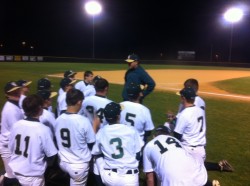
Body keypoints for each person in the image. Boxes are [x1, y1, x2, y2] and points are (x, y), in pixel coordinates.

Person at [170, 78, 233, 172]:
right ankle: (220, 166)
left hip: (190, 147)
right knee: (196, 168)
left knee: (186, 170)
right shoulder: (199, 109)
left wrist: (174, 122)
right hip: (199, 145)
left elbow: (178, 133)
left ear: (184, 97)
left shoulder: (186, 113)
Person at [143, 125, 220, 186]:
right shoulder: (175, 140)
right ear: (168, 134)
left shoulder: (149, 146)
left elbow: (150, 178)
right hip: (195, 170)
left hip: (173, 178)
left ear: (154, 136)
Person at [8, 94, 58, 186]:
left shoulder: (16, 125)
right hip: (33, 176)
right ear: (39, 108)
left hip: (16, 172)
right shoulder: (43, 129)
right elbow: (51, 155)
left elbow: (11, 148)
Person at [91, 102, 144, 186]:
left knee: (97, 157)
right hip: (130, 178)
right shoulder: (131, 130)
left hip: (111, 178)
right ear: (118, 116)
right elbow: (138, 154)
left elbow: (95, 152)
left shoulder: (101, 132)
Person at [55, 89, 95, 186]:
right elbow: (91, 142)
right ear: (79, 102)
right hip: (78, 165)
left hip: (62, 162)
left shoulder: (58, 119)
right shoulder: (83, 121)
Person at [0, 81, 24, 185]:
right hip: (8, 148)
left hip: (10, 144)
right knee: (13, 176)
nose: (17, 93)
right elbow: (16, 132)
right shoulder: (11, 109)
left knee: (14, 174)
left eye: (17, 90)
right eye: (13, 92)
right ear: (7, 94)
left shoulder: (14, 105)